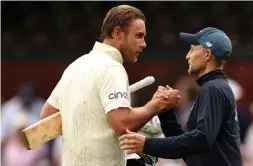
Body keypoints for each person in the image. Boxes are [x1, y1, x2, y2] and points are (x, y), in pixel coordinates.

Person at [39, 5, 180, 166]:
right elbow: (122, 124)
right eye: (139, 36)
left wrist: (91, 123)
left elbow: (46, 118)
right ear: (117, 33)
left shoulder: (75, 66)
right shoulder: (113, 68)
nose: (143, 44)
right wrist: (156, 106)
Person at [119, 27, 242, 166]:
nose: (187, 56)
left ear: (207, 54)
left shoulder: (213, 88)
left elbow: (201, 140)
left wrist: (147, 144)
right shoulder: (215, 87)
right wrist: (165, 111)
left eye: (192, 49)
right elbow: (189, 150)